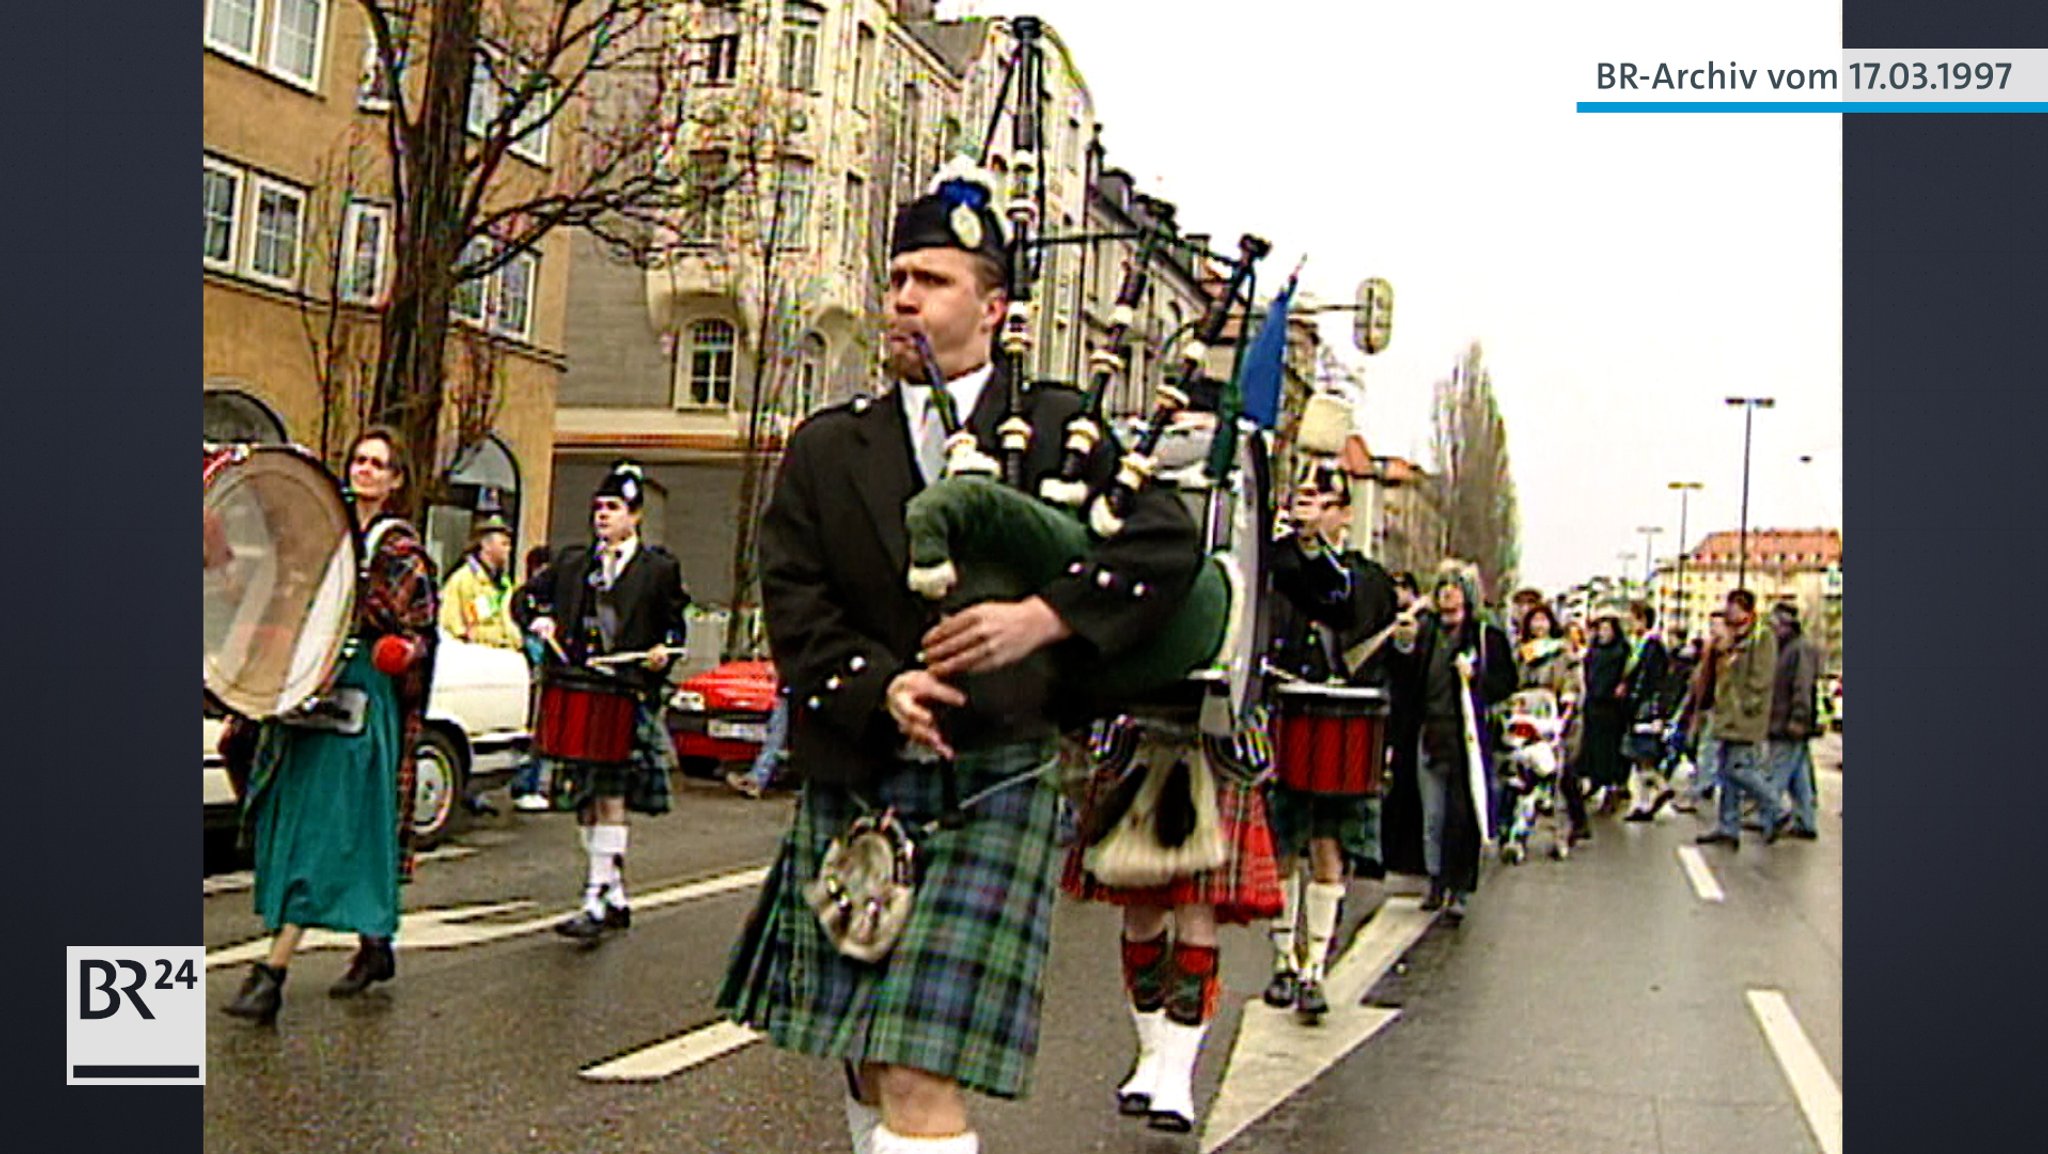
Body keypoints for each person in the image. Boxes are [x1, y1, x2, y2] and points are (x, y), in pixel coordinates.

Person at [715, 173, 1204, 1154]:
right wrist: (877, 682)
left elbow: (1161, 545)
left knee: (915, 1064)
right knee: (863, 1048)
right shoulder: (826, 446)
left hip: (998, 774)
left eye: (930, 279)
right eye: (896, 276)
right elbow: (795, 600)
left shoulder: (1060, 428)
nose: (902, 297)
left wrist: (1041, 617)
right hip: (861, 775)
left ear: (991, 307)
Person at [222, 427, 439, 1024]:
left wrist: (404, 650)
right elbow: (277, 598)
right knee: (308, 818)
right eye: (359, 461)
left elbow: (421, 633)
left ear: (395, 481)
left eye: (378, 464)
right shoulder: (319, 533)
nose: (365, 471)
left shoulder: (400, 553)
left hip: (361, 697)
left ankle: (272, 972)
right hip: (306, 687)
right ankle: (376, 944)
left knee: (325, 831)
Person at [520, 462, 692, 939]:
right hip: (577, 689)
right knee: (584, 800)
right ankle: (613, 892)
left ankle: (595, 899)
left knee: (610, 796)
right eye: (598, 508)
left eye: (613, 508)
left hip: (624, 694)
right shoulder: (574, 563)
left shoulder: (659, 570)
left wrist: (664, 652)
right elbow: (527, 599)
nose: (602, 516)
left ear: (635, 516)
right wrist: (541, 620)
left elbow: (677, 626)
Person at [1256, 466, 1398, 1022]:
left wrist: (1313, 547)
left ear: (1344, 513)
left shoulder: (1368, 577)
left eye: (1327, 503)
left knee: (1326, 846)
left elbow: (1343, 605)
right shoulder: (1278, 559)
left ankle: (1314, 965)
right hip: (1284, 714)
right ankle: (1282, 961)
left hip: (1339, 723)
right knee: (1283, 845)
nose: (1315, 510)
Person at [1382, 563, 1516, 922]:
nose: (1447, 593)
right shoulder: (1425, 632)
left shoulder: (1485, 637)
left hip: (1466, 739)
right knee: (1432, 815)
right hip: (1429, 734)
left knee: (1462, 815)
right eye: (1442, 586)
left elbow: (1505, 683)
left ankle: (1459, 886)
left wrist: (1477, 678)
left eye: (1454, 586)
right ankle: (1435, 879)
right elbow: (1404, 681)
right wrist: (1403, 648)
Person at [1695, 590, 1784, 849]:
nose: (1729, 613)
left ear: (1747, 611)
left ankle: (1775, 807)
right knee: (1726, 772)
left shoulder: (1761, 637)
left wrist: (1748, 706)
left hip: (1745, 717)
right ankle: (1728, 827)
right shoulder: (1734, 638)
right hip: (1727, 714)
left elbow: (1762, 677)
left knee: (1738, 769)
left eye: (1733, 608)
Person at [1765, 603, 1823, 840]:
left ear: (1787, 625)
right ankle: (1805, 821)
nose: (1772, 629)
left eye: (1775, 624)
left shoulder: (1799, 649)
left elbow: (1802, 686)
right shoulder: (1787, 648)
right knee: (1798, 778)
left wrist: (1799, 718)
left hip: (1788, 721)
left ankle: (1770, 817)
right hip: (1785, 719)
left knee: (1776, 773)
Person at [1620, 602, 1676, 822]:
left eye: (1632, 619)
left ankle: (1659, 788)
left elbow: (1654, 680)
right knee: (1639, 756)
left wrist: (1658, 710)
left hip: (1646, 708)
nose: (1630, 623)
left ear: (1643, 620)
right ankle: (1643, 802)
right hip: (1641, 706)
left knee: (1642, 753)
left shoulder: (1652, 647)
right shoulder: (1639, 645)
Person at [508, 544, 554, 811]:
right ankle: (526, 784)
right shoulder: (526, 596)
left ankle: (534, 783)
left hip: (540, 669)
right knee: (534, 729)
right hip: (531, 670)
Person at [1574, 611, 1631, 819]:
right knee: (1590, 750)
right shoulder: (1594, 650)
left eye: (1607, 629)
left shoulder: (1621, 651)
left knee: (1609, 753)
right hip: (1593, 704)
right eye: (1601, 629)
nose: (1603, 633)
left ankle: (1611, 789)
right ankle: (1594, 783)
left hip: (1612, 708)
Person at [439, 517, 520, 648]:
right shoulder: (462, 579)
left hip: (504, 656)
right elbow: (452, 624)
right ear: (486, 545)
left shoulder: (505, 583)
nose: (509, 550)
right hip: (475, 656)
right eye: (504, 544)